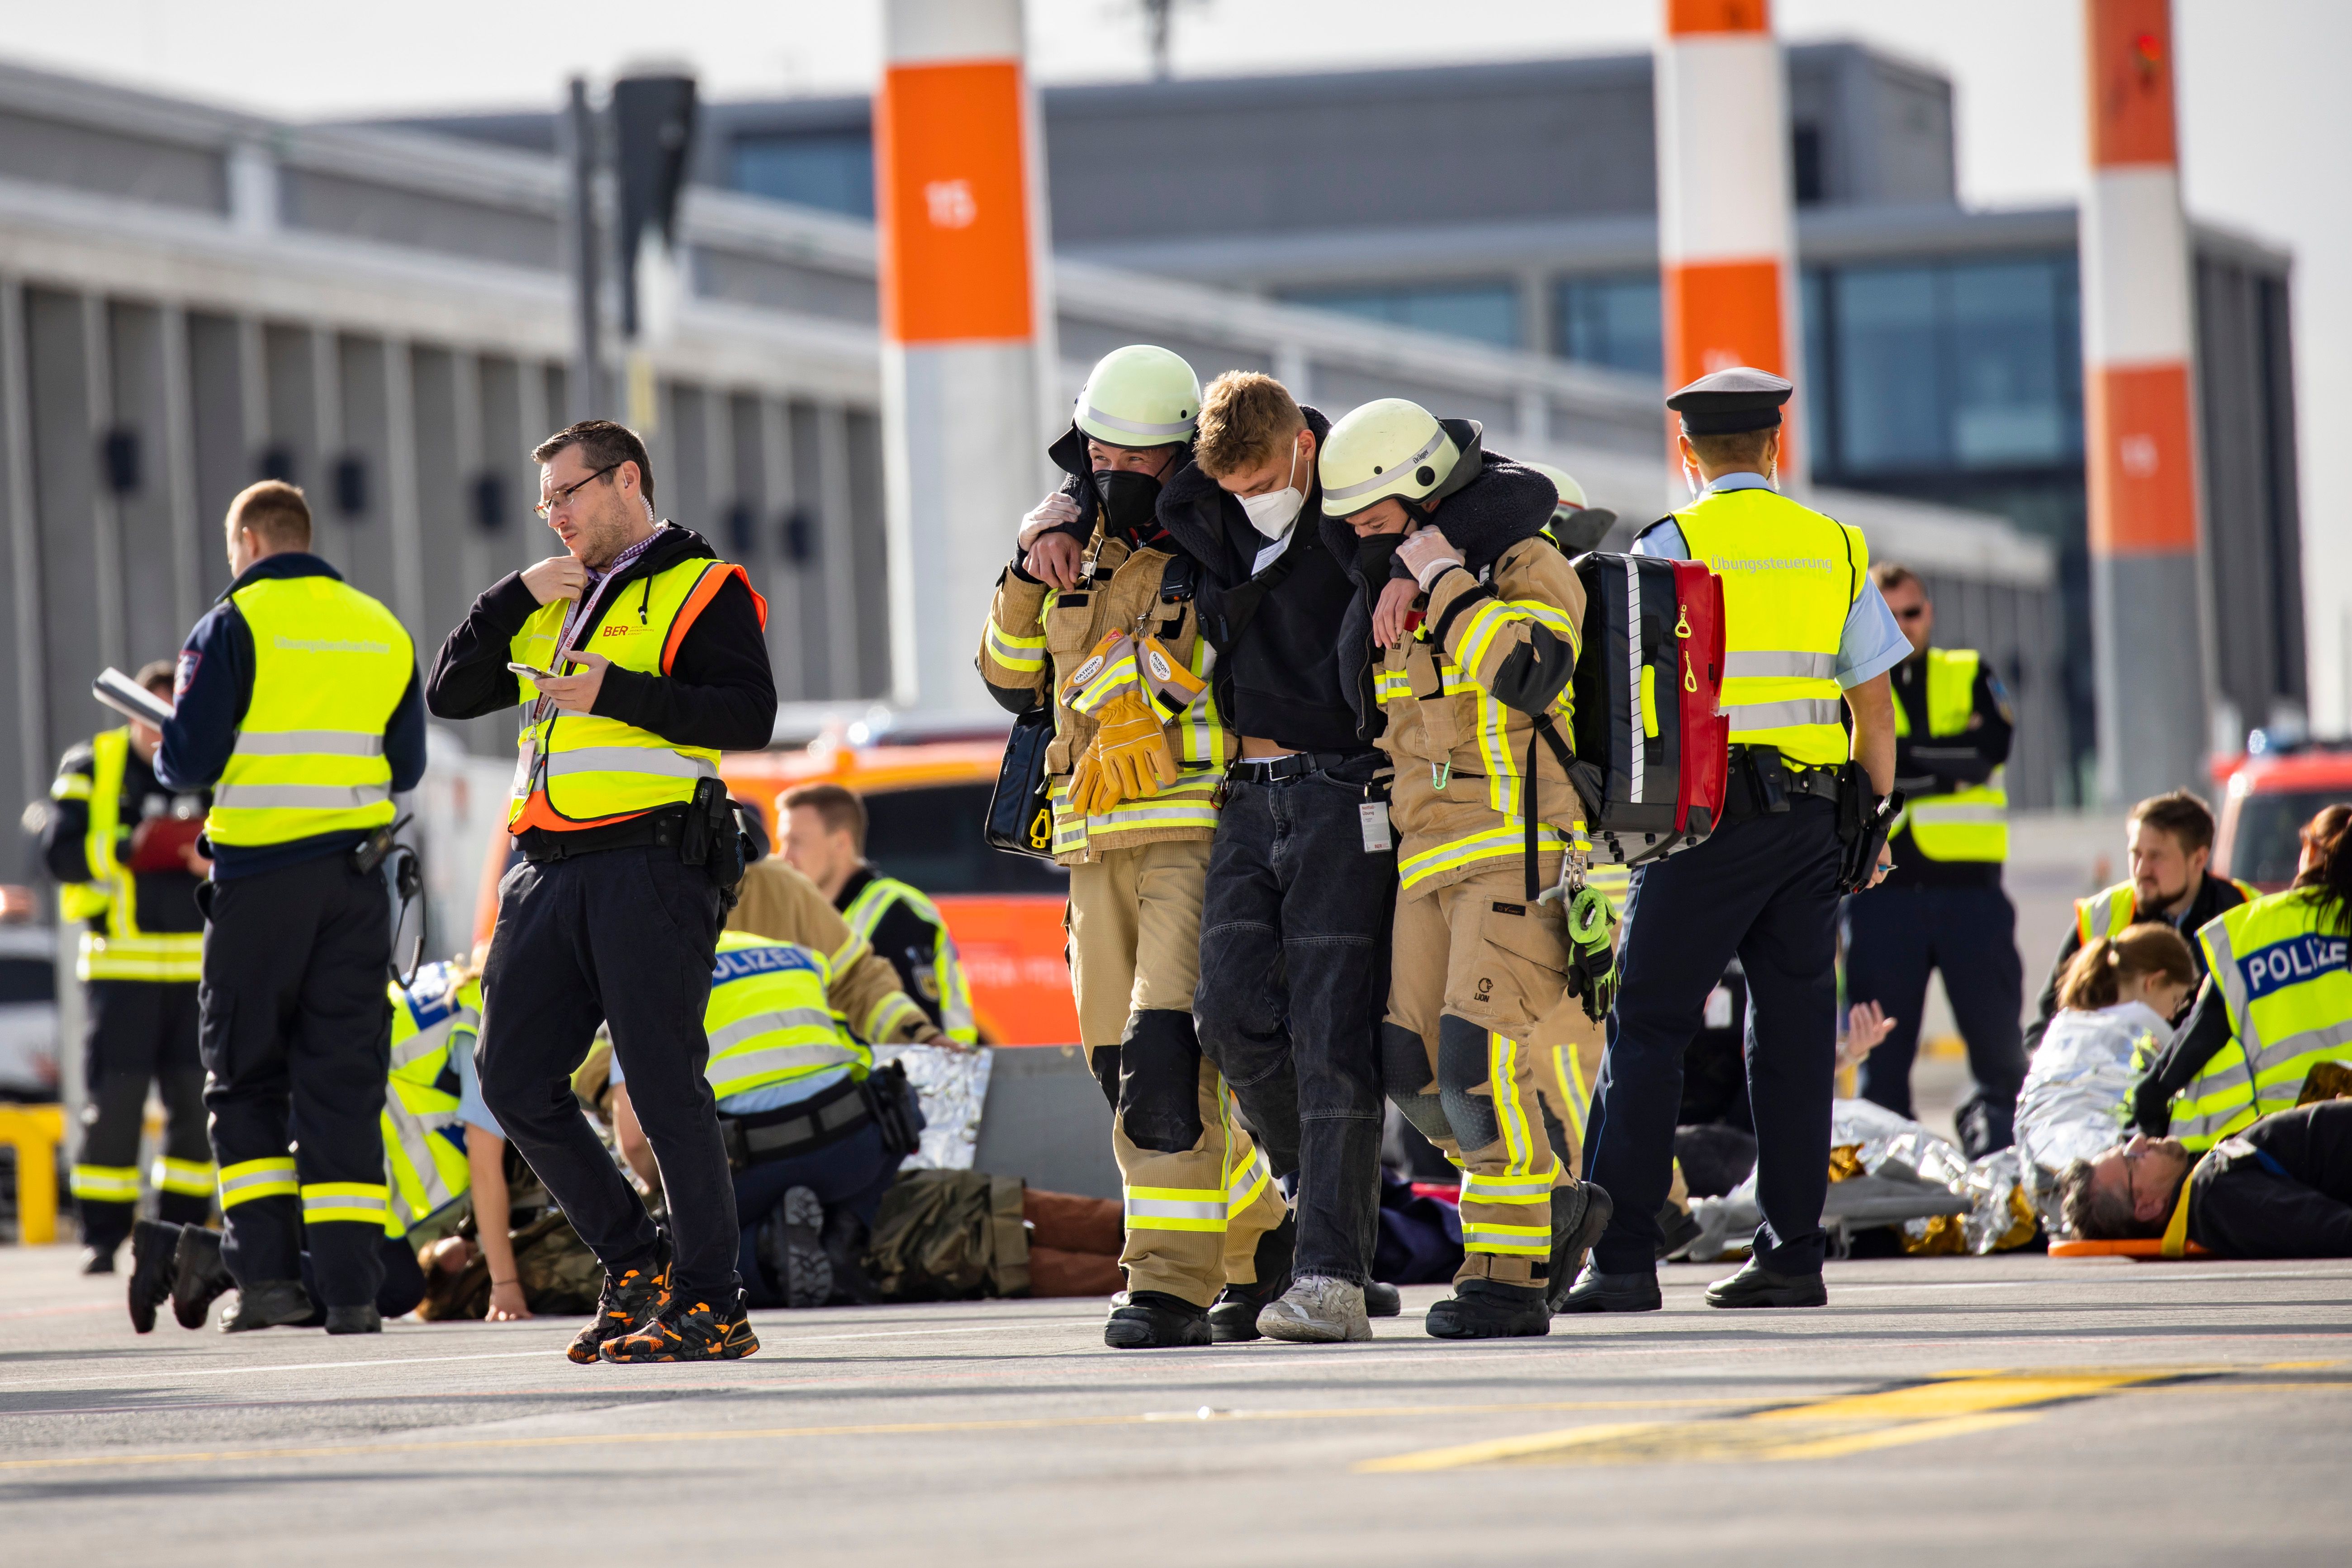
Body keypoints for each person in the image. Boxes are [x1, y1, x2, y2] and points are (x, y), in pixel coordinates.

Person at [426, 419, 778, 1364]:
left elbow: (750, 713)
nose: (556, 517)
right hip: (546, 868)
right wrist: (505, 599)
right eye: (545, 502)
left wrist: (614, 691)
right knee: (512, 1081)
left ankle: (712, 1297)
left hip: (651, 859)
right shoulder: (551, 596)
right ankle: (637, 1264)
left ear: (626, 480)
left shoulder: (701, 585)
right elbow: (449, 695)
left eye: (568, 494)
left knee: (663, 1086)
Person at [1572, 367, 1903, 1313]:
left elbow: (1633, 700)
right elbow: (1871, 703)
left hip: (1702, 824)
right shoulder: (1834, 545)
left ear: (1686, 454)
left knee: (1646, 1030)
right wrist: (1872, 822)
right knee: (1794, 1038)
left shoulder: (1668, 542)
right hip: (1810, 824)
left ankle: (1624, 1256)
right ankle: (1791, 1254)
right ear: (1773, 446)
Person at [976, 344, 1286, 1350]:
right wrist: (1028, 567)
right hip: (1087, 842)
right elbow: (1006, 674)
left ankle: (1167, 1285)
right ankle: (1265, 1240)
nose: (1116, 469)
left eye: (1141, 456)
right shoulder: (1067, 544)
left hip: (1191, 833)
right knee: (1121, 1068)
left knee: (1163, 1060)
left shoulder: (1220, 540)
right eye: (1100, 448)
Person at [1321, 395, 1612, 1340]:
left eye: (1374, 523)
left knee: (1476, 1069)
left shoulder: (1523, 563)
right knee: (1407, 1068)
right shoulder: (1389, 590)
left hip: (1517, 847)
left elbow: (1531, 671)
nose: (1366, 542)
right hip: (1425, 862)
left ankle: (1511, 1267)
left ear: (1419, 495)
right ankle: (1552, 1194)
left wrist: (1444, 579)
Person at [1152, 370, 1394, 1343]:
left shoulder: (1350, 490)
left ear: (1302, 446)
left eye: (1265, 477)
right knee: (1230, 1014)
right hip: (1246, 798)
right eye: (1235, 484)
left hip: (1344, 792)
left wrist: (1412, 552)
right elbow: (1116, 477)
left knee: (1335, 1034)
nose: (1255, 498)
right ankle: (1318, 1189)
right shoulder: (1208, 507)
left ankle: (1332, 1274)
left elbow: (1493, 483)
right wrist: (1052, 513)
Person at [154, 479, 426, 1334]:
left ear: (250, 541)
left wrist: (175, 736)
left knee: (244, 1080)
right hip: (356, 888)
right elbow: (407, 764)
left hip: (261, 884)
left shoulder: (233, 623)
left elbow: (187, 760)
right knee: (343, 1085)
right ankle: (350, 1292)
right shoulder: (382, 626)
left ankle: (270, 1281)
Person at [1842, 562, 2025, 1157]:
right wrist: (1939, 765)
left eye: (1911, 612)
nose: (1902, 624)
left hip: (1970, 896)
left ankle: (2004, 1169)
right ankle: (1891, 1190)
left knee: (1999, 1054)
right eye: (1887, 614)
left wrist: (1897, 764)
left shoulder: (1968, 671)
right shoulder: (1843, 682)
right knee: (1882, 1061)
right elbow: (1849, 769)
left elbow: (1985, 752)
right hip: (1881, 900)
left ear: (1931, 614)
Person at [38, 659, 213, 1274]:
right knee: (115, 1109)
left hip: (195, 976)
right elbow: (60, 851)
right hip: (121, 973)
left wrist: (206, 859)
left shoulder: (207, 763)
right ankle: (103, 1236)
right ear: (132, 713)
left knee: (196, 1112)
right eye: (152, 716)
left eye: (172, 717)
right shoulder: (93, 765)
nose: (160, 731)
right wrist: (126, 847)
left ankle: (179, 1237)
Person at [2130, 805, 2352, 1150]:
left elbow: (2193, 1045)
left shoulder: (2254, 932)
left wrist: (2148, 1107)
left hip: (2283, 1151)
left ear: (2310, 850)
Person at [2026, 790, 2254, 1053]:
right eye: (2136, 854)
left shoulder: (2246, 909)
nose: (2141, 870)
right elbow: (2045, 1025)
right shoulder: (2103, 915)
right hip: (2118, 1087)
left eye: (2156, 857)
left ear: (2199, 859)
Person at [778, 782, 977, 1046]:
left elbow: (917, 1037)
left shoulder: (897, 914)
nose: (783, 857)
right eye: (782, 842)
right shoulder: (810, 911)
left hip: (931, 1077)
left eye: (796, 842)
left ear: (841, 843)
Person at [2013, 924, 2197, 1203]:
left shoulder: (2063, 1024)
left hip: (2037, 1171)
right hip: (2103, 1185)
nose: (2173, 1014)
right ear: (2152, 982)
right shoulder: (2151, 1032)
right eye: (2176, 1000)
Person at [2057, 1100, 2352, 1257]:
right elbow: (2328, 1227)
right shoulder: (2215, 1196)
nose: (2138, 1140)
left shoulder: (2205, 1182)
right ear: (2148, 1207)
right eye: (2131, 1159)